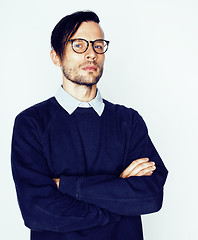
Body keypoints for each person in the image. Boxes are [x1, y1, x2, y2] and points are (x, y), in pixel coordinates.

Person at [11, 10, 168, 240]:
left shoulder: (129, 121)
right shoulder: (31, 123)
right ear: (56, 56)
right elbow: (38, 211)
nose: (91, 54)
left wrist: (65, 186)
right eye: (79, 45)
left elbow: (151, 196)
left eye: (98, 45)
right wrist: (118, 193)